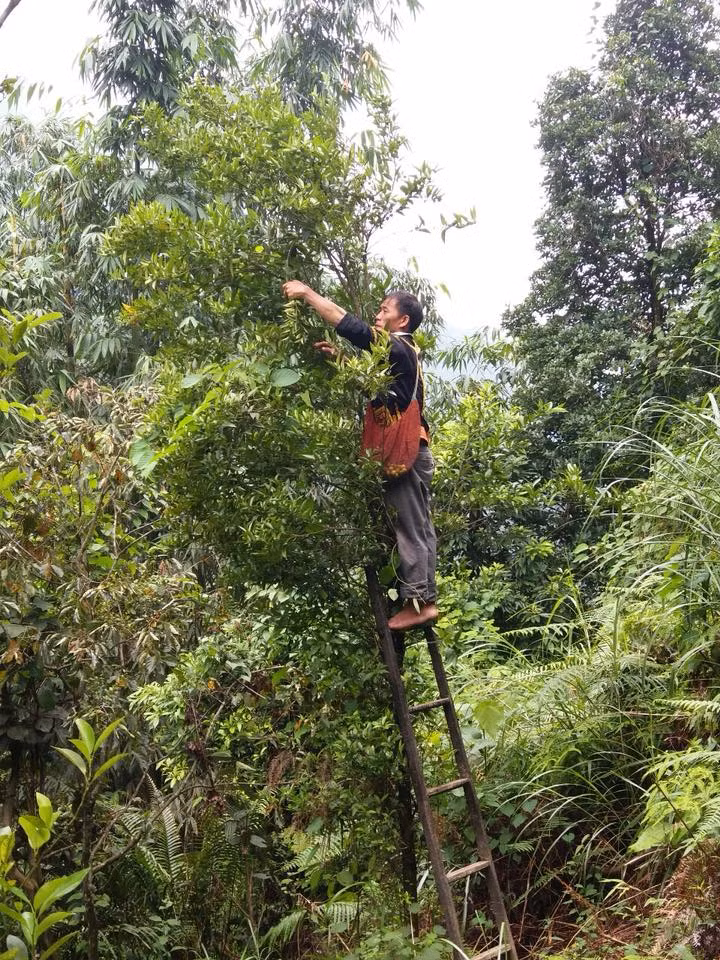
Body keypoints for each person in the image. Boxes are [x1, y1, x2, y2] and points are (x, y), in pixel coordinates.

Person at [282, 280, 438, 631]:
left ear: (403, 321)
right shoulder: (402, 355)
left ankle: (419, 602)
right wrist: (341, 360)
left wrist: (307, 294)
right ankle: (424, 599)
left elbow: (346, 323)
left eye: (385, 310)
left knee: (410, 527)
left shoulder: (397, 347)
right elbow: (383, 391)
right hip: (418, 448)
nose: (378, 315)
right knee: (421, 527)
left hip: (407, 452)